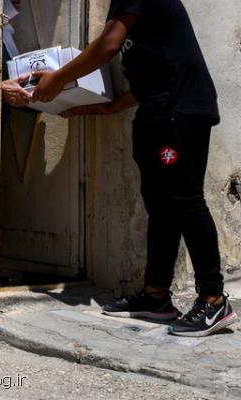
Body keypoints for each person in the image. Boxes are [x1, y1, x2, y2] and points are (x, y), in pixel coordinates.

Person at [31, 0, 236, 337]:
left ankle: (214, 300)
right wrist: (112, 106)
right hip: (158, 110)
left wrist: (57, 80)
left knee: (185, 200)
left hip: (179, 112)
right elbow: (152, 68)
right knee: (161, 205)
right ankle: (156, 296)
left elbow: (109, 44)